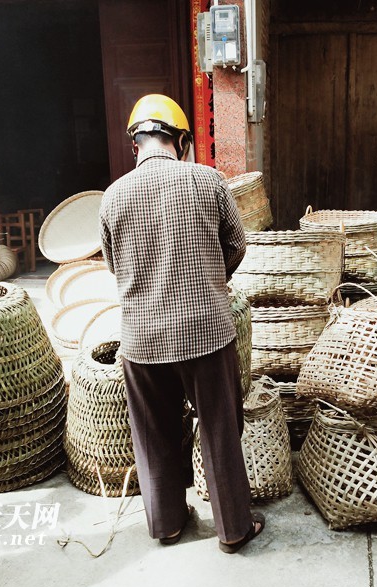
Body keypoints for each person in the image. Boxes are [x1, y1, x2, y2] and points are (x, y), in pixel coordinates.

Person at [99, 94, 264, 552]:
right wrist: (212, 279)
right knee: (219, 430)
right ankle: (233, 529)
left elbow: (114, 266)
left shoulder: (112, 196)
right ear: (183, 141)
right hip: (207, 331)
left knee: (153, 434)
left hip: (141, 337)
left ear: (137, 146)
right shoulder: (208, 181)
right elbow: (237, 244)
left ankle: (167, 524)